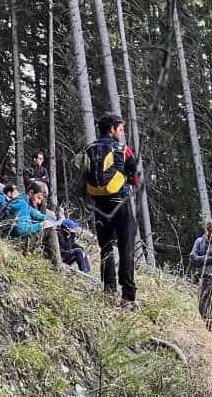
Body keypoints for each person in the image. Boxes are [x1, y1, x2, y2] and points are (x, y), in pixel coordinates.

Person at [75, 113, 141, 309]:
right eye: (120, 129)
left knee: (106, 248)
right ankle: (128, 296)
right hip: (119, 203)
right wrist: (128, 181)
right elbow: (135, 177)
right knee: (126, 248)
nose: (122, 133)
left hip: (99, 205)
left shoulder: (89, 149)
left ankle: (108, 291)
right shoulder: (123, 149)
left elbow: (83, 176)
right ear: (112, 128)